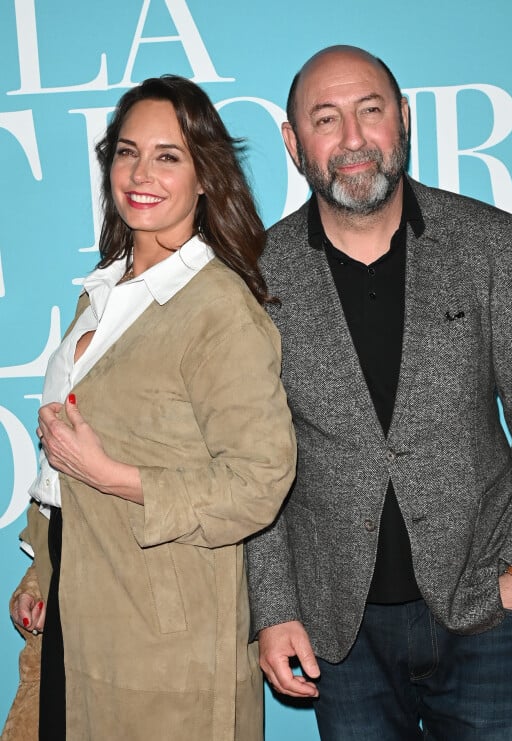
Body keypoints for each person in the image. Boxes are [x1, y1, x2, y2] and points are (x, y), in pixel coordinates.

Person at [245, 45, 512, 740]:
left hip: (487, 609)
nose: (354, 139)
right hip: (341, 631)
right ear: (292, 141)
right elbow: (256, 460)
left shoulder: (487, 243)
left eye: (370, 111)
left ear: (403, 118)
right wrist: (275, 608)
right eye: (326, 119)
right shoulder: (258, 275)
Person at [8, 74, 296, 741]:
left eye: (168, 155)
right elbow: (63, 467)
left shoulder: (219, 309)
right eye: (127, 151)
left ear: (205, 176)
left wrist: (112, 475)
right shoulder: (100, 295)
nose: (141, 172)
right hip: (79, 619)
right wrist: (43, 569)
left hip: (168, 646)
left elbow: (260, 481)